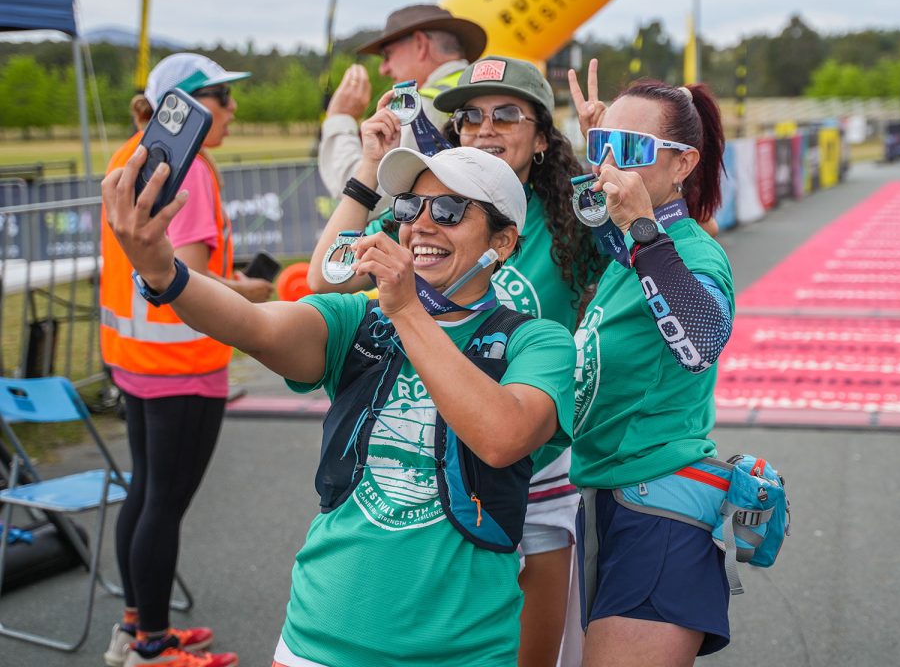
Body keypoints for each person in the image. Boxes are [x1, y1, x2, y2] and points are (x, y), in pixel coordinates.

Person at [104, 141, 577, 667]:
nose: (421, 225)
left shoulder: (539, 342)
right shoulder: (358, 320)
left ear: (504, 241)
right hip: (317, 641)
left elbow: (501, 436)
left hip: (462, 652)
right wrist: (163, 273)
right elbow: (252, 326)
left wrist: (406, 309)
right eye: (407, 208)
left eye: (448, 210)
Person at [308, 56, 606, 666]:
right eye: (468, 116)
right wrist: (368, 165)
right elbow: (324, 278)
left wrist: (614, 162)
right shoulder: (427, 210)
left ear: (544, 138)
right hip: (438, 476)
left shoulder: (574, 222)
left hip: (540, 473)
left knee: (532, 657)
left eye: (506, 114)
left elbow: (678, 239)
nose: (483, 128)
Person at [100, 54, 273, 667]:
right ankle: (153, 646)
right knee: (163, 504)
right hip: (183, 362)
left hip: (135, 360)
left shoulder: (133, 153)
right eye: (221, 97)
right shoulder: (189, 167)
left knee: (144, 493)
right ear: (189, 107)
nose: (231, 108)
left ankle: (136, 627)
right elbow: (195, 279)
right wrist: (257, 292)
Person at [566, 60, 736, 665]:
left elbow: (700, 343)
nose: (610, 161)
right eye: (601, 145)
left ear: (682, 164)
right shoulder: (626, 246)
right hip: (606, 500)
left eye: (630, 147)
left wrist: (641, 226)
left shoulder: (688, 251)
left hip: (660, 508)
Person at [318, 4, 487, 209]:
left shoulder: (422, 108)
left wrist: (340, 118)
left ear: (421, 44)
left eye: (387, 55)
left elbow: (375, 198)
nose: (383, 69)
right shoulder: (485, 89)